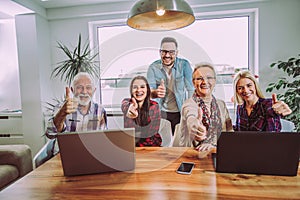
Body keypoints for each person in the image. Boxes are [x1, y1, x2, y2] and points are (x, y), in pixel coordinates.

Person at [179, 64, 291, 152]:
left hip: (266, 153)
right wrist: (202, 133)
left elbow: (272, 118)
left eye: (249, 85)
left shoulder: (267, 105)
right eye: (240, 88)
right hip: (242, 153)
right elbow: (234, 132)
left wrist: (279, 110)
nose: (245, 90)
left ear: (255, 86)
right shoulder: (240, 109)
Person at [179, 63, 233, 151]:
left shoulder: (221, 104)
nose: (204, 82)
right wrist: (195, 128)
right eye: (200, 78)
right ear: (193, 82)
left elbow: (229, 132)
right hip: (193, 155)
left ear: (215, 81)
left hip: (220, 153)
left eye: (209, 78)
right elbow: (191, 117)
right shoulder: (189, 104)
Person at [147, 37, 194, 135]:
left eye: (171, 52)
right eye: (164, 52)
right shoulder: (153, 68)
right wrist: (154, 93)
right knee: (163, 141)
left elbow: (191, 89)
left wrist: (190, 110)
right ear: (160, 52)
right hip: (161, 111)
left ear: (177, 52)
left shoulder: (184, 65)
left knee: (179, 140)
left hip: (179, 111)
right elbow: (149, 91)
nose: (167, 55)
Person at [46, 72, 107, 138]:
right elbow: (50, 134)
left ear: (94, 90)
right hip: (67, 148)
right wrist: (62, 113)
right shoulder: (61, 108)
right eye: (79, 87)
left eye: (88, 87)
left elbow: (103, 137)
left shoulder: (100, 110)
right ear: (72, 90)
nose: (84, 92)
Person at [121, 76, 162, 147]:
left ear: (147, 90)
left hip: (151, 144)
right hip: (131, 144)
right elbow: (124, 105)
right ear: (131, 91)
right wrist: (129, 108)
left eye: (142, 87)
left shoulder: (154, 106)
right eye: (135, 87)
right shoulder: (127, 102)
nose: (138, 90)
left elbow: (151, 135)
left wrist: (137, 147)